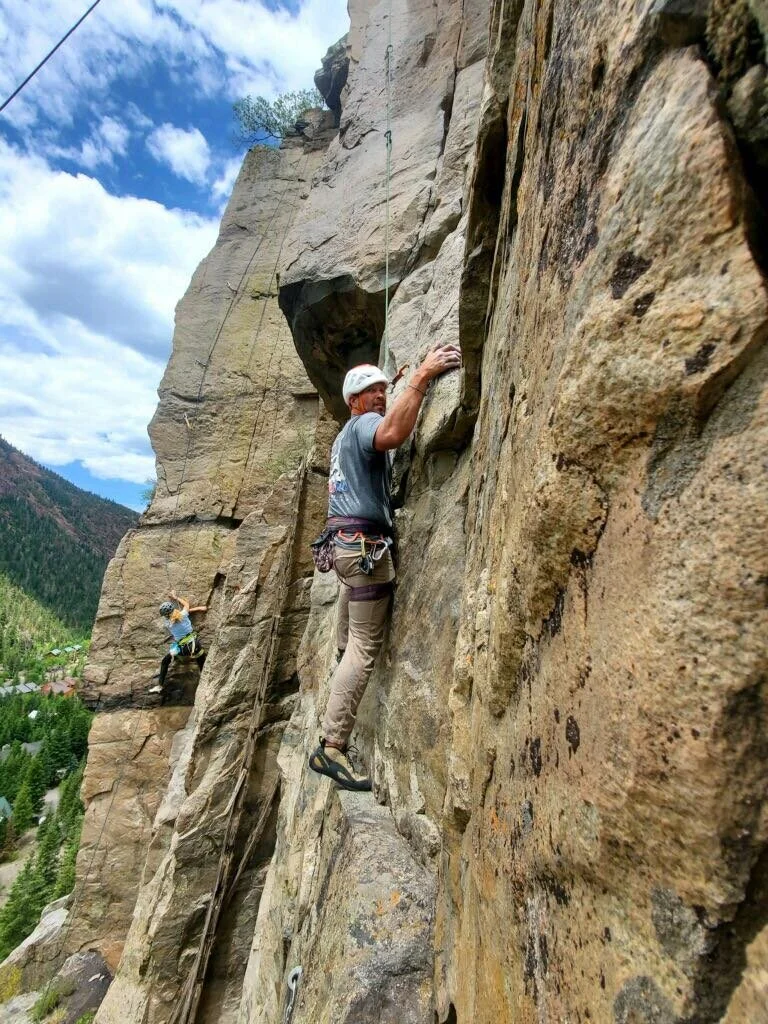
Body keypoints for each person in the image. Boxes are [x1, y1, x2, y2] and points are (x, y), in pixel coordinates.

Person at [309, 343, 461, 790]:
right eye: (371, 392)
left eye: (382, 389)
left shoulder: (343, 436)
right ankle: (332, 746)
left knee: (347, 640)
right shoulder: (363, 426)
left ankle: (340, 667)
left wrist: (394, 387)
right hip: (365, 548)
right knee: (364, 646)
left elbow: (382, 419)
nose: (379, 396)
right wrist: (423, 377)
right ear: (355, 403)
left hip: (345, 546)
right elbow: (392, 433)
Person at [149, 591, 208, 701]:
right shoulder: (183, 615)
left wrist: (197, 609)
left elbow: (179, 615)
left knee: (165, 661)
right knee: (202, 664)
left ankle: (160, 686)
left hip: (182, 650)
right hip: (195, 645)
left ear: (165, 615)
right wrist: (175, 597)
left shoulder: (168, 623)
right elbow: (186, 605)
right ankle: (206, 686)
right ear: (173, 609)